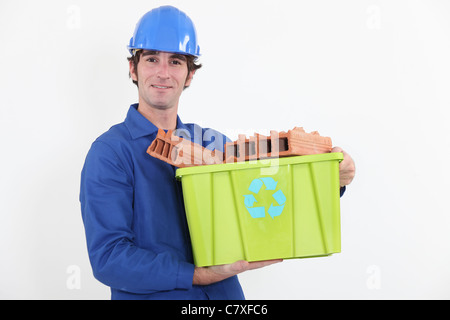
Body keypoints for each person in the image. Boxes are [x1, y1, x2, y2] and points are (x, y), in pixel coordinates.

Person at [80, 5, 355, 300]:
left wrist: (332, 180)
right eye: (151, 59)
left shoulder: (212, 144)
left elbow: (268, 197)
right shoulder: (110, 153)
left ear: (189, 75)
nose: (163, 72)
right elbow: (109, 259)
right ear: (133, 68)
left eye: (175, 61)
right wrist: (197, 275)